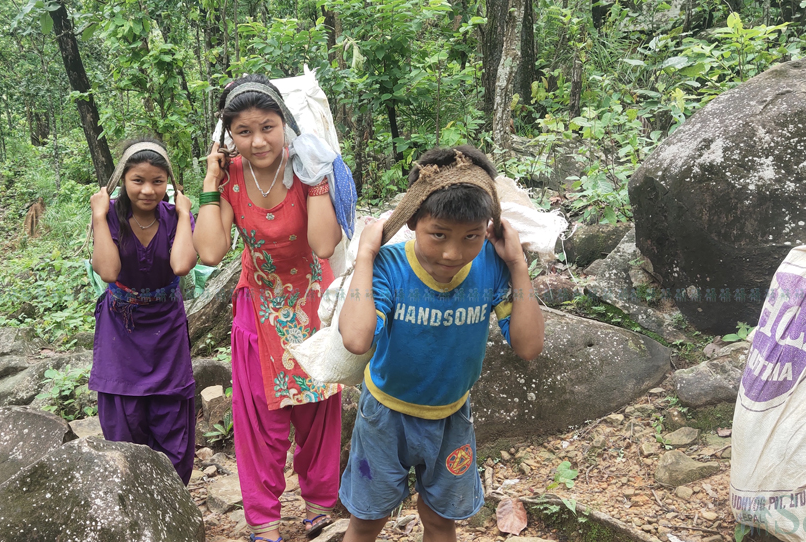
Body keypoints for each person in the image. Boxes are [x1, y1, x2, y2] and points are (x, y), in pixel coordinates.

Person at [336, 146, 546, 542]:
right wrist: (366, 254)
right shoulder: (391, 267)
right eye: (439, 234)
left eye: (471, 236)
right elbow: (356, 337)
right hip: (385, 417)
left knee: (439, 520)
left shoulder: (491, 265)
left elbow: (529, 345)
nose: (453, 252)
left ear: (489, 227)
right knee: (366, 520)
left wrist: (518, 264)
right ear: (413, 221)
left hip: (451, 418)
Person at [193, 74, 344, 542]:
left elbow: (322, 244)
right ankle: (263, 521)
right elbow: (211, 251)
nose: (257, 141)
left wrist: (317, 182)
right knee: (261, 420)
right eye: (243, 131)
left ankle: (320, 506)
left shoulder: (307, 169)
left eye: (268, 126)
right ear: (228, 137)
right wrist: (211, 183)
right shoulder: (233, 178)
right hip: (257, 309)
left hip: (312, 306)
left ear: (286, 125)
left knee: (319, 408)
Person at [88, 138, 199, 484]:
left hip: (166, 328)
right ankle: (136, 503)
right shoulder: (110, 216)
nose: (148, 190)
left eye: (158, 181)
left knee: (172, 418)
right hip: (121, 329)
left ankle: (174, 498)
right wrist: (98, 215)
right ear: (123, 180)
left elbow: (181, 264)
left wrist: (183, 213)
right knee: (124, 418)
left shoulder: (174, 217)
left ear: (169, 182)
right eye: (138, 180)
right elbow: (107, 272)